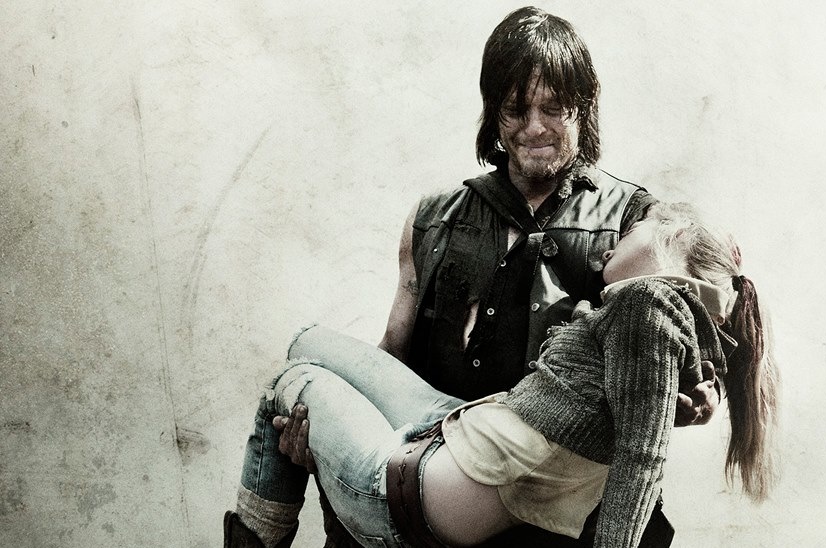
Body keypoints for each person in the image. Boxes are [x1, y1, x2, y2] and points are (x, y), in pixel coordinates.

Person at [273, 6, 719, 547]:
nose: (534, 127)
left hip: (569, 526)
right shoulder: (433, 219)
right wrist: (326, 433)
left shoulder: (638, 228)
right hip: (449, 493)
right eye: (515, 109)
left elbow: (697, 357)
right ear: (493, 112)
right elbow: (393, 354)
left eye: (553, 108)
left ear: (584, 106)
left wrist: (696, 396)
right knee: (302, 371)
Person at [224, 203, 780, 548]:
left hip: (406, 492)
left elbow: (642, 459)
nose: (615, 242)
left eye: (636, 230)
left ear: (669, 241)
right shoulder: (670, 324)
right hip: (455, 427)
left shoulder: (649, 305)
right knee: (308, 342)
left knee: (290, 379)